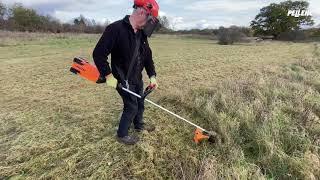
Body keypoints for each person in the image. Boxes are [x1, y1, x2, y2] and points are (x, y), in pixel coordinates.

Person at [93, 0, 160, 145]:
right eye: (150, 20)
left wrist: (152, 76)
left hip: (137, 77)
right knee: (131, 106)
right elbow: (99, 54)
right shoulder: (115, 29)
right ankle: (122, 134)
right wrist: (109, 76)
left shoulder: (142, 34)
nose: (149, 25)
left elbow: (147, 56)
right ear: (142, 12)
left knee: (140, 102)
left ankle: (138, 125)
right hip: (122, 79)